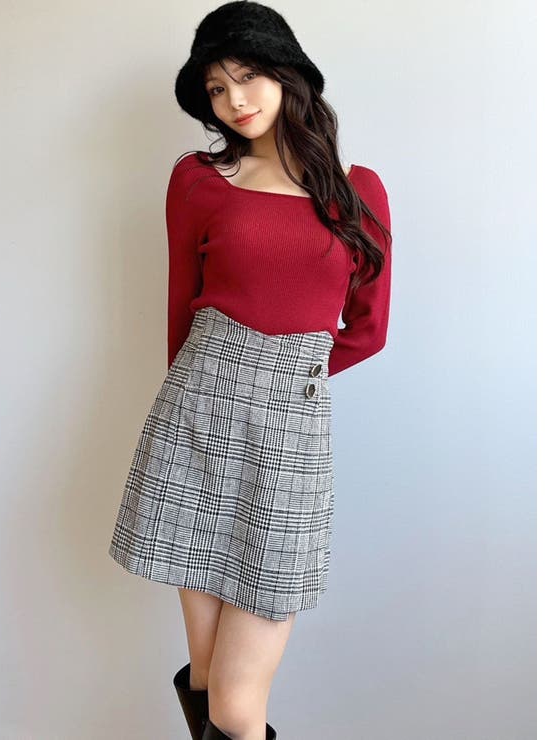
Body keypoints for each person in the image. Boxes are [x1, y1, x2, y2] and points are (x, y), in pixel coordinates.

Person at [108, 2, 393, 738]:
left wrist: (285, 376)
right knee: (208, 680)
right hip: (195, 421)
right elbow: (181, 310)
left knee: (234, 704)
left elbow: (367, 331)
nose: (235, 99)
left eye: (249, 75)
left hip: (290, 437)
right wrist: (208, 387)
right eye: (216, 88)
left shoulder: (358, 190)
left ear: (288, 74)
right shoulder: (198, 180)